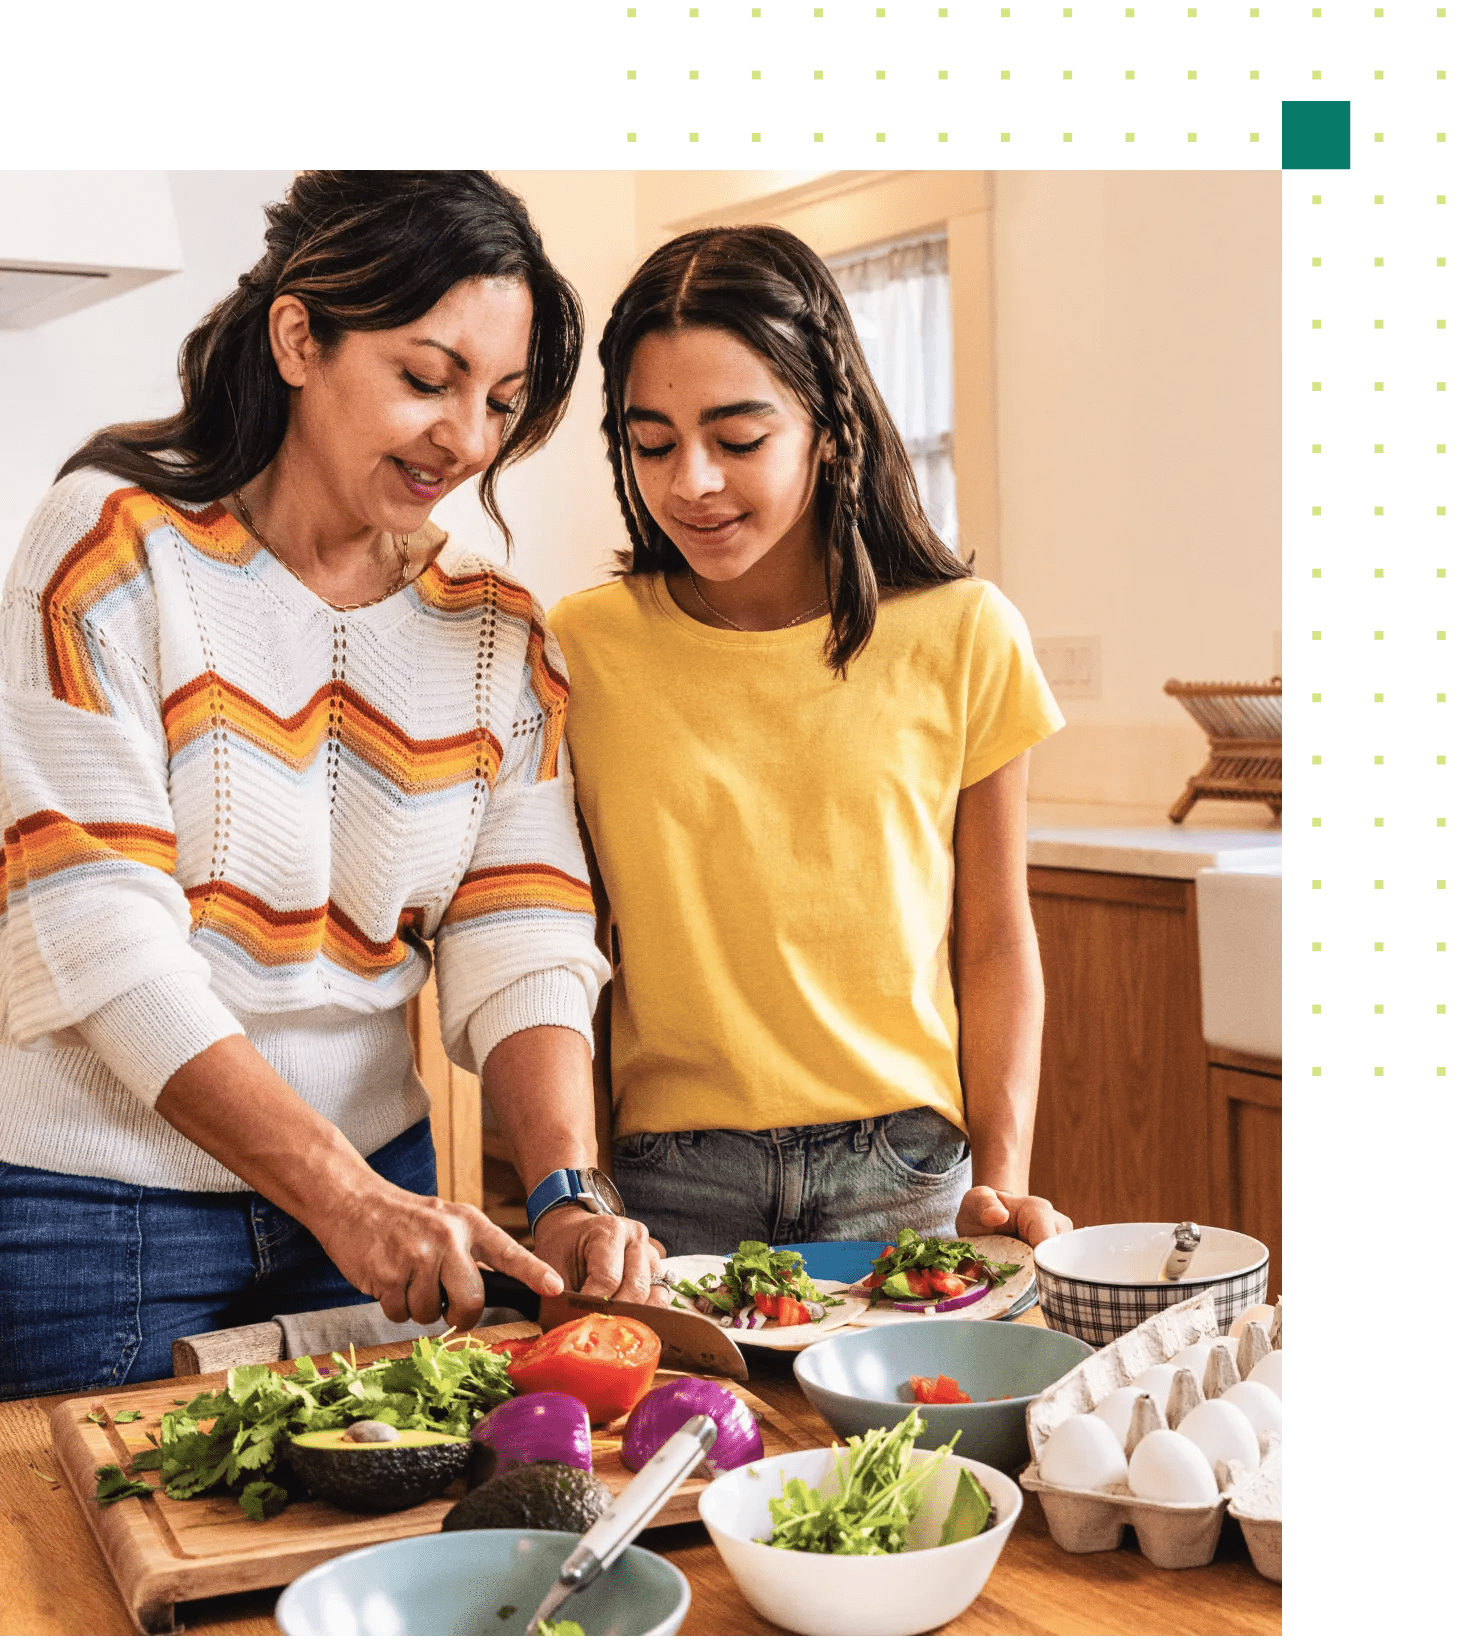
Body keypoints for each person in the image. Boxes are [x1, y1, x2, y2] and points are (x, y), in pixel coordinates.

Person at [0, 171, 659, 1399]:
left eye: (500, 401)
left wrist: (567, 1188)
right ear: (300, 336)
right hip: (95, 1222)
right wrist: (349, 1201)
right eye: (427, 378)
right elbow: (102, 941)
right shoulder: (110, 551)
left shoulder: (494, 634)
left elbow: (523, 937)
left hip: (377, 1214)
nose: (464, 439)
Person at [549, 225, 1075, 1258]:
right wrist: (577, 1184)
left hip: (906, 1177)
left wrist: (1001, 1181)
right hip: (667, 1181)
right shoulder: (581, 648)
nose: (690, 480)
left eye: (736, 439)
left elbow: (994, 936)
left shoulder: (963, 632)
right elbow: (571, 948)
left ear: (828, 427)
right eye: (649, 442)